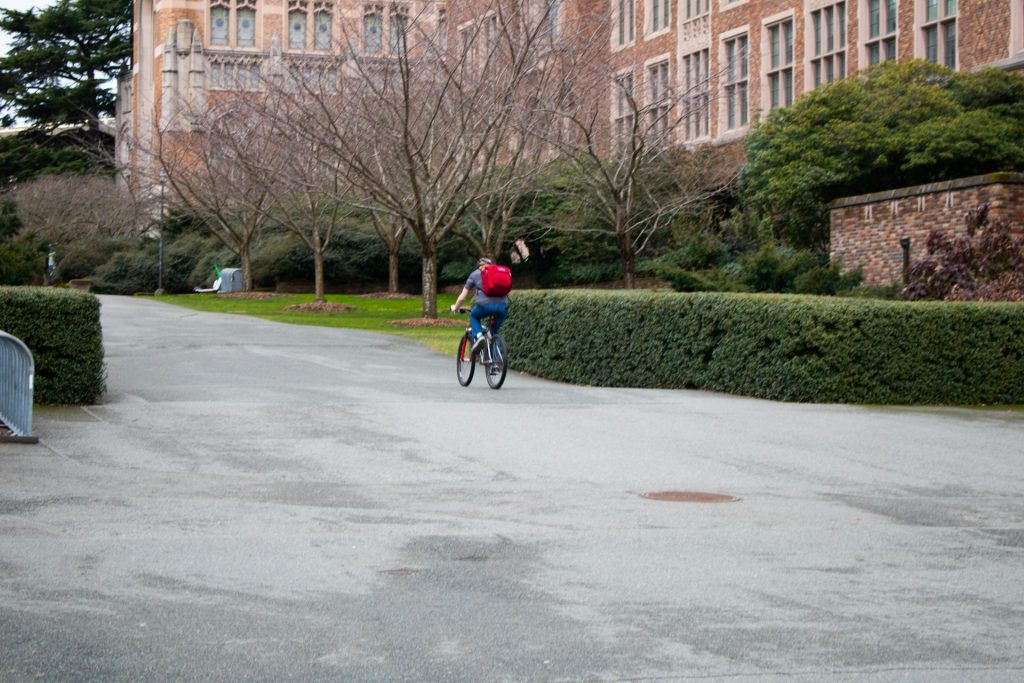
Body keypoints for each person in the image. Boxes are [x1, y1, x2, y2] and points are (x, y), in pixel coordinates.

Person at [450, 257, 510, 351]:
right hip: (503, 306)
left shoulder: (474, 274)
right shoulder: (497, 274)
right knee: (494, 334)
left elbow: (462, 297)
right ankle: (496, 362)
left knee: (474, 316)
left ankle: (479, 337)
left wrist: (456, 307)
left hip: (485, 306)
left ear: (479, 265)